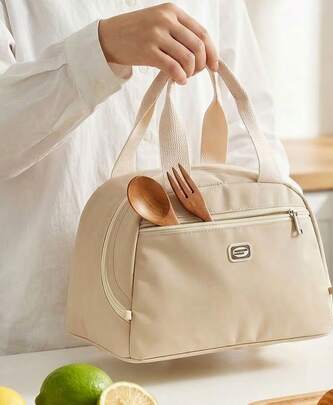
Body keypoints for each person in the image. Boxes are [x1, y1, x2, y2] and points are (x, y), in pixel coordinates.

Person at [0, 1, 289, 355]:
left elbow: (250, 129)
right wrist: (101, 49)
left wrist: (256, 269)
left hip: (210, 326)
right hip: (51, 341)